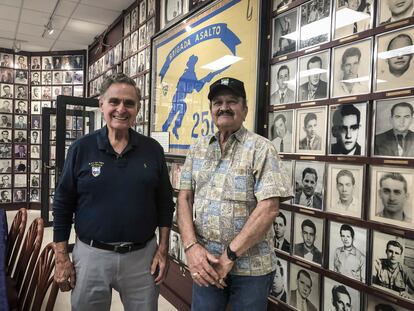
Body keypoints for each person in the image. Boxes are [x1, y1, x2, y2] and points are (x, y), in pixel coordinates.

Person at [52, 73, 174, 311]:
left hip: (142, 258)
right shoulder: (81, 149)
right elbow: (62, 204)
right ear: (101, 104)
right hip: (90, 256)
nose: (121, 109)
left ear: (137, 108)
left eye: (129, 103)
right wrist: (61, 258)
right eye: (114, 101)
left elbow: (164, 204)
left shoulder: (152, 150)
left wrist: (163, 250)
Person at [177, 77, 292, 310]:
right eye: (218, 102)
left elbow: (269, 208)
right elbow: (184, 198)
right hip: (205, 262)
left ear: (245, 109)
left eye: (232, 101)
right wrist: (191, 248)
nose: (224, 107)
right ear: (211, 110)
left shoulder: (262, 148)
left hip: (252, 268)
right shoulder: (198, 149)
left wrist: (229, 255)